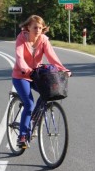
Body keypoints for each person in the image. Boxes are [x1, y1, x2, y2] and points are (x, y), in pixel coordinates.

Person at [11, 15, 72, 148]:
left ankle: (33, 119)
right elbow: (19, 57)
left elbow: (52, 57)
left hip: (37, 75)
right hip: (21, 75)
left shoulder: (43, 40)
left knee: (48, 93)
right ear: (28, 27)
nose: (38, 30)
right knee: (29, 103)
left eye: (40, 27)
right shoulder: (21, 38)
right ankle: (22, 136)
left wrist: (63, 70)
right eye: (35, 27)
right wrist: (26, 69)